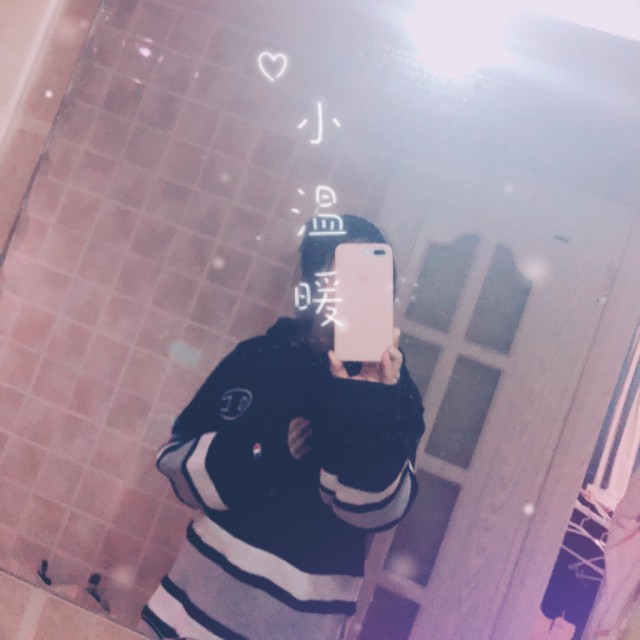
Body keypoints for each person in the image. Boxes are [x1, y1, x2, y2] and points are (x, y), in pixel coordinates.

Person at [139, 214, 426, 640]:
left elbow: (371, 511)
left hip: (300, 625)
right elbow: (178, 467)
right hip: (188, 616)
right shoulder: (257, 359)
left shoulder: (394, 393)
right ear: (312, 283)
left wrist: (368, 402)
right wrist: (265, 450)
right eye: (340, 277)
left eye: (370, 281)